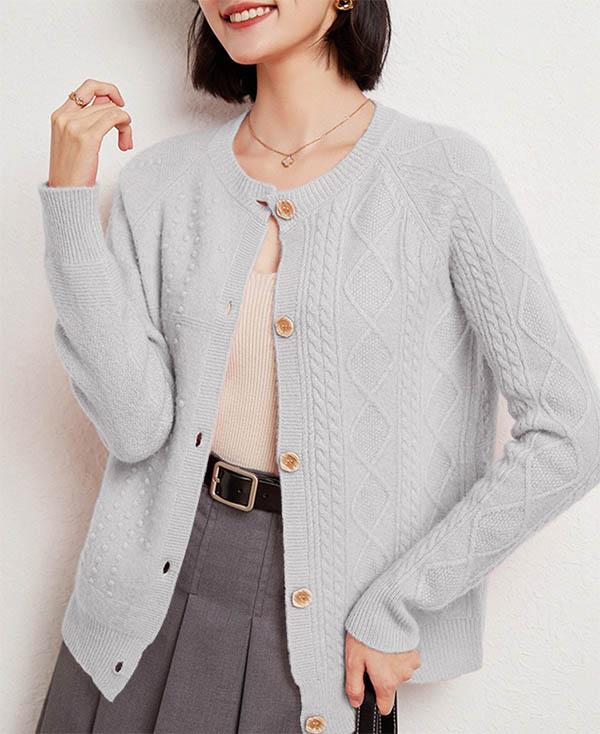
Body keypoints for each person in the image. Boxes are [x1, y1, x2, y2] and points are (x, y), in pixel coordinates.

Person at [35, 1, 600, 733]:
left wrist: (400, 599)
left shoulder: (443, 176)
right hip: (133, 611)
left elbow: (572, 430)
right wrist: (70, 205)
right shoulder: (161, 184)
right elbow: (135, 427)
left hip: (327, 630)